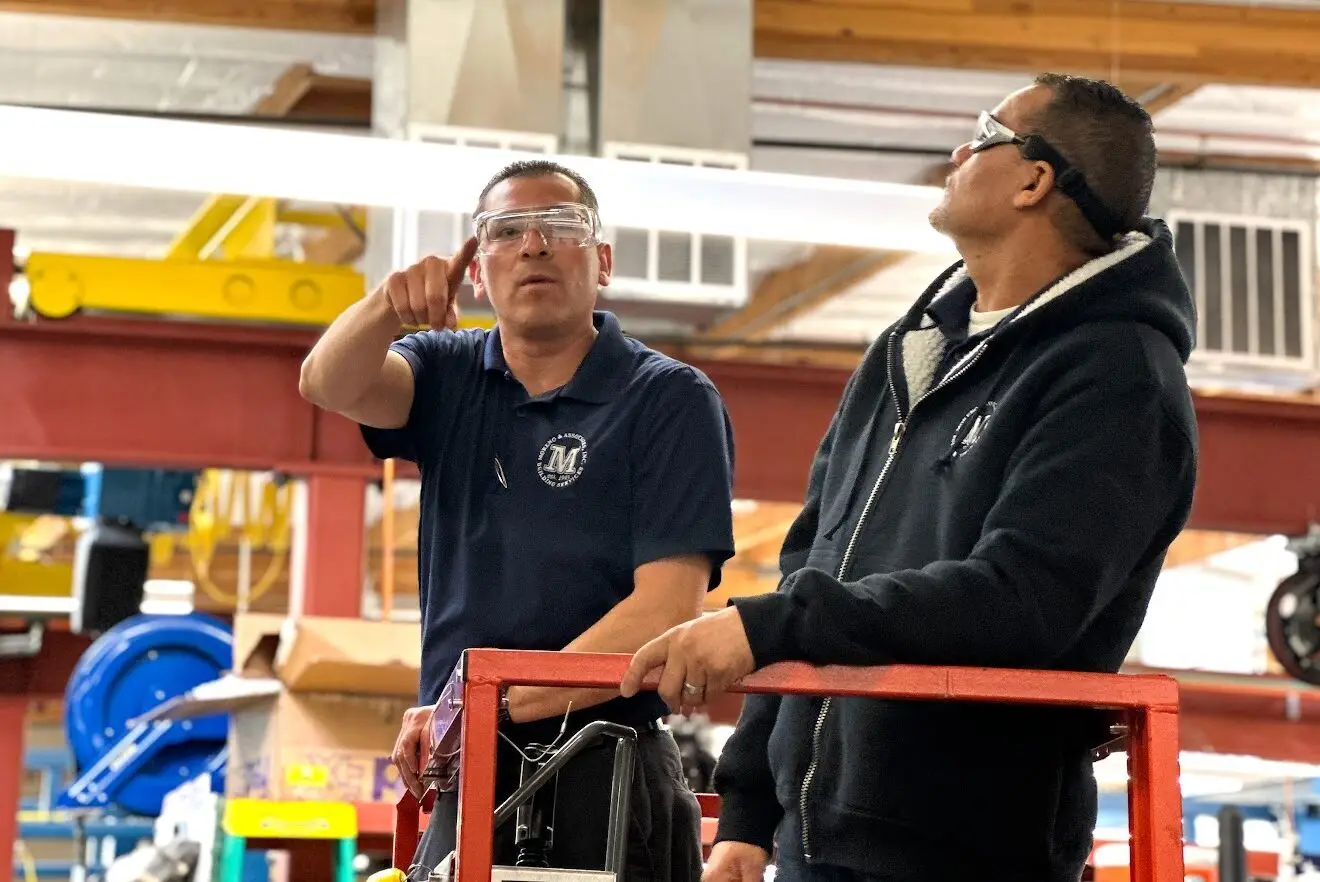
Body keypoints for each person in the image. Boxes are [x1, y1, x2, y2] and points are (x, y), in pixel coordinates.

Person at [621, 73, 1199, 882]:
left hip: (964, 854)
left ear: (1034, 179)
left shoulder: (1120, 377)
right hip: (811, 845)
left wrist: (772, 626)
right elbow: (809, 572)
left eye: (984, 131)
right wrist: (749, 809)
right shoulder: (905, 355)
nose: (959, 150)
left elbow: (1021, 599)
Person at [299, 159, 736, 881]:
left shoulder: (668, 401)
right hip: (469, 771)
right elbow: (326, 382)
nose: (533, 245)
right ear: (478, 271)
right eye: (505, 232)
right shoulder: (446, 373)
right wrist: (386, 305)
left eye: (560, 227)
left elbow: (664, 609)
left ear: (601, 262)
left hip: (607, 764)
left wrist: (485, 705)